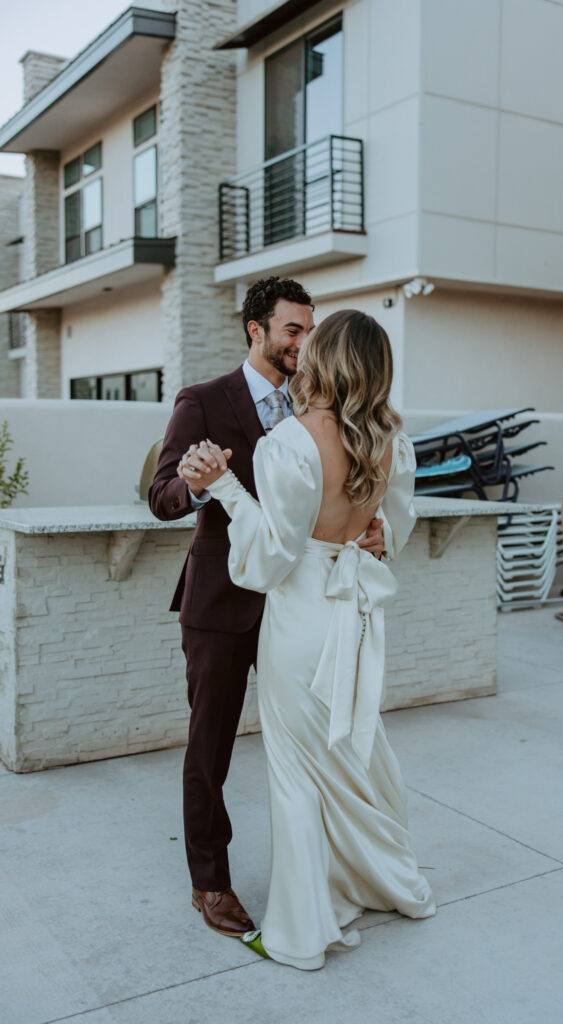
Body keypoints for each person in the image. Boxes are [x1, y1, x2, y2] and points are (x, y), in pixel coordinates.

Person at [194, 309, 436, 970]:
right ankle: (379, 879)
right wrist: (372, 531)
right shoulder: (392, 439)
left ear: (324, 358)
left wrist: (222, 487)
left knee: (298, 771)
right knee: (353, 751)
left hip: (302, 617)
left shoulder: (291, 441)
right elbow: (394, 529)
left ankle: (299, 931)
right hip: (354, 615)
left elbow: (271, 557)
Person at [149, 278, 384, 938]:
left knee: (314, 749)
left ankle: (322, 879)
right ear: (255, 330)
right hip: (223, 605)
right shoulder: (202, 401)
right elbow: (160, 493)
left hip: (301, 609)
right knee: (210, 750)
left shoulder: (321, 402)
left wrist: (372, 527)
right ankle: (209, 883)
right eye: (292, 330)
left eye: (311, 330)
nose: (304, 343)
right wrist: (196, 486)